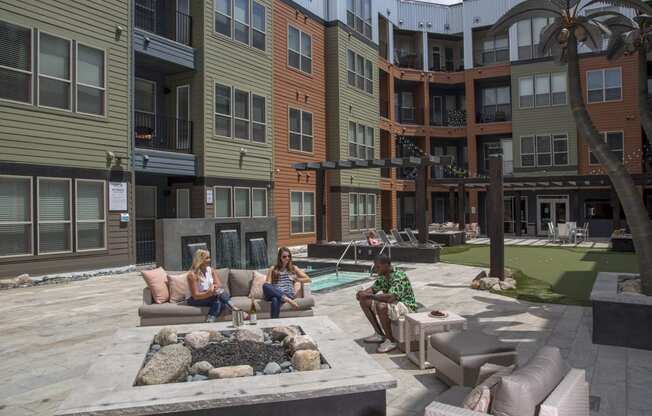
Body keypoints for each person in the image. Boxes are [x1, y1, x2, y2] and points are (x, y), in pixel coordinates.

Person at [356, 254, 417, 353]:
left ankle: (391, 341)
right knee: (364, 301)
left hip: (407, 306)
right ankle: (379, 334)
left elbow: (390, 298)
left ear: (386, 265)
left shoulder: (399, 276)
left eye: (378, 266)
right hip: (394, 304)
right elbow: (373, 289)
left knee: (382, 306)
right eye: (375, 266)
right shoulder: (383, 275)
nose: (376, 269)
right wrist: (362, 294)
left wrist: (369, 296)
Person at [186, 249, 239, 322]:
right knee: (220, 295)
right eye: (207, 258)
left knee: (217, 301)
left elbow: (219, 284)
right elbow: (195, 296)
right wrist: (209, 293)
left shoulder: (211, 270)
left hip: (211, 295)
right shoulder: (192, 275)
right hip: (197, 299)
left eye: (209, 257)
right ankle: (233, 307)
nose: (209, 260)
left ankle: (210, 319)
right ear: (200, 260)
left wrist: (213, 287)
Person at [263, 247, 311, 319]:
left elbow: (308, 279)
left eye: (289, 256)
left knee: (275, 299)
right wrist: (273, 289)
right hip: (277, 292)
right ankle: (288, 300)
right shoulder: (273, 268)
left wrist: (297, 279)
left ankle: (274, 323)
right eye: (284, 256)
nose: (287, 258)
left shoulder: (293, 268)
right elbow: (268, 284)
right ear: (280, 258)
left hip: (288, 294)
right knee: (265, 285)